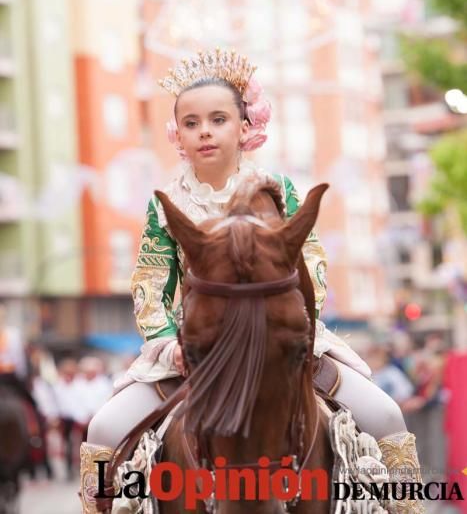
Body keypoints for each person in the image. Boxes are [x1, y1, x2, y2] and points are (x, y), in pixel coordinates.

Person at [80, 49, 424, 513]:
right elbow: (149, 286)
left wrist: (291, 331)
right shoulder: (166, 206)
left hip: (285, 344)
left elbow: (312, 269)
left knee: (386, 416)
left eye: (218, 119)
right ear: (177, 135)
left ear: (244, 127)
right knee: (102, 430)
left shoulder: (278, 193)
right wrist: (171, 344)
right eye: (191, 122)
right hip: (194, 355)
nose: (204, 131)